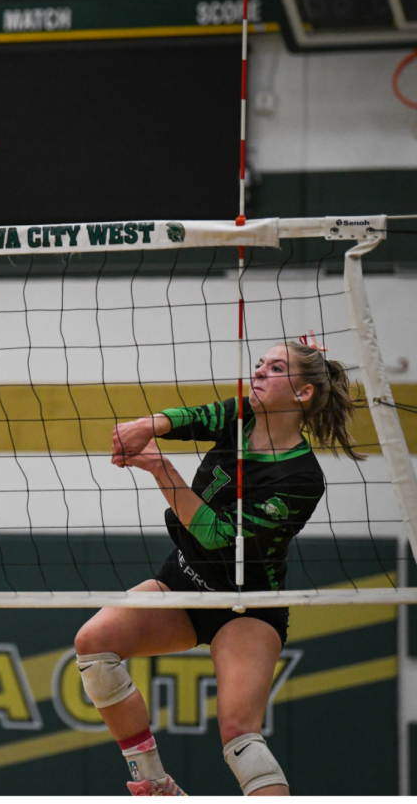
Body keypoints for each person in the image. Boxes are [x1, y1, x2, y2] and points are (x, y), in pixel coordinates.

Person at [74, 340, 361, 796]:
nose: (260, 373)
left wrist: (160, 469)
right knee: (94, 645)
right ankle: (155, 784)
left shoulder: (302, 478)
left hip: (246, 606)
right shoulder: (240, 416)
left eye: (276, 367)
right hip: (184, 581)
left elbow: (217, 535)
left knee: (239, 735)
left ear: (303, 394)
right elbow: (195, 417)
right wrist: (145, 425)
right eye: (260, 363)